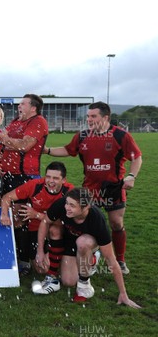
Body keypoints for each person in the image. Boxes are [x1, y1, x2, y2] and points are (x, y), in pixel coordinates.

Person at [44, 101, 142, 275]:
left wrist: (132, 176)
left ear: (106, 117)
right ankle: (89, 254)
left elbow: (137, 157)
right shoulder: (82, 136)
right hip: (89, 190)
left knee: (116, 224)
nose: (89, 119)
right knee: (84, 224)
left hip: (113, 187)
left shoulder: (121, 136)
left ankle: (120, 260)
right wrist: (47, 150)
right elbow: (68, 150)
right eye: (88, 116)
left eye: (93, 116)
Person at [34, 188, 141, 308]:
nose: (67, 207)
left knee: (83, 242)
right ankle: (76, 264)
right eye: (67, 203)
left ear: (86, 208)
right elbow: (45, 222)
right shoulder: (62, 204)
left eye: (72, 206)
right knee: (68, 282)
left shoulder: (97, 220)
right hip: (69, 241)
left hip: (87, 243)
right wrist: (40, 251)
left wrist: (123, 294)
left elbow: (111, 259)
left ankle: (87, 276)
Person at [0, 161, 74, 278]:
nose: (51, 181)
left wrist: (36, 215)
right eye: (48, 177)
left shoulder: (69, 192)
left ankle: (68, 257)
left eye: (55, 178)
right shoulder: (35, 185)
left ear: (64, 180)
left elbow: (67, 222)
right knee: (41, 269)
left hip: (59, 230)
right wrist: (4, 214)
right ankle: (33, 257)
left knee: (55, 230)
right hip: (36, 228)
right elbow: (7, 197)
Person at [0, 94, 48, 192]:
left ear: (33, 108)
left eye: (23, 104)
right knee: (6, 204)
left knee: (16, 206)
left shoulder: (38, 121)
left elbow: (23, 145)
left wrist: (1, 138)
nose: (19, 106)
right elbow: (0, 137)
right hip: (8, 174)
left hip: (25, 175)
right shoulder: (16, 121)